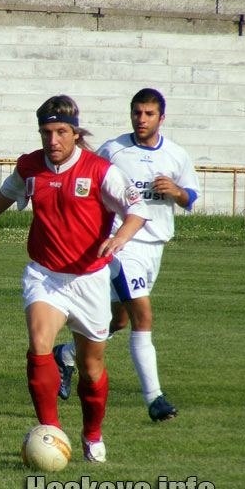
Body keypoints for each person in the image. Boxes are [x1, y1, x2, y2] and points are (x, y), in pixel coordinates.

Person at [0, 95, 148, 463]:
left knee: (91, 369)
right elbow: (9, 190)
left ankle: (92, 435)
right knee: (39, 344)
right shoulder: (31, 166)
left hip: (89, 280)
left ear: (75, 133)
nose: (53, 140)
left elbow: (137, 209)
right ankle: (50, 432)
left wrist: (120, 237)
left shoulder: (100, 170)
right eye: (46, 133)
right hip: (45, 275)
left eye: (61, 132)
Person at [52, 88, 200, 422]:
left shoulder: (176, 154)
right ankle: (155, 398)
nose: (141, 119)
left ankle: (66, 355)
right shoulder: (114, 150)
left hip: (154, 248)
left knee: (117, 320)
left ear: (162, 117)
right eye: (137, 113)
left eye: (149, 114)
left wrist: (176, 191)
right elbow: (91, 178)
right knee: (143, 316)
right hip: (123, 245)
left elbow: (191, 197)